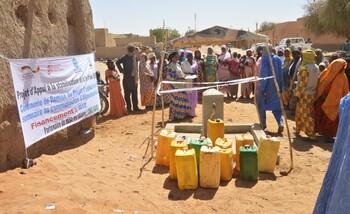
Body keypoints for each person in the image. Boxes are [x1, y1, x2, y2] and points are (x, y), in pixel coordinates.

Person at [314, 58, 349, 141]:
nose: (344, 68)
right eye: (342, 66)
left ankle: (327, 134)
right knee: (325, 117)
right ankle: (326, 134)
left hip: (329, 101)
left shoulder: (341, 76)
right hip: (325, 100)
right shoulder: (328, 73)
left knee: (327, 118)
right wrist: (323, 97)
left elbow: (342, 91)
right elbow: (320, 84)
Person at [257, 46, 284, 133]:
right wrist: (281, 87)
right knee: (277, 108)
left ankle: (263, 124)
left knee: (261, 106)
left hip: (267, 88)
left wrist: (262, 88)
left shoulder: (265, 59)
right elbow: (281, 74)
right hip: (276, 87)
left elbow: (264, 75)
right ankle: (280, 123)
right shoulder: (278, 59)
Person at [294, 50, 319, 139]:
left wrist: (297, 94)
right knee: (301, 112)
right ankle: (298, 128)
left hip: (304, 94)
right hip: (312, 93)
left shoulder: (305, 68)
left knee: (305, 113)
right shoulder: (316, 67)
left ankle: (310, 133)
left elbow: (302, 83)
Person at [166, 51, 192, 121]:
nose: (177, 58)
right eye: (176, 57)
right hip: (175, 87)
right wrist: (179, 78)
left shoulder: (177, 64)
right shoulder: (170, 66)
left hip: (181, 85)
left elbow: (181, 73)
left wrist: (185, 76)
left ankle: (180, 116)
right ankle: (173, 117)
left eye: (178, 57)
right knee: (175, 102)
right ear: (172, 58)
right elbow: (169, 77)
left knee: (181, 101)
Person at [116, 45, 140, 112]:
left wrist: (122, 71)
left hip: (130, 78)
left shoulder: (132, 58)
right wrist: (122, 71)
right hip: (129, 78)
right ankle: (132, 108)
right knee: (130, 94)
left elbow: (117, 62)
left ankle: (133, 108)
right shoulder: (127, 58)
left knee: (131, 94)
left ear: (128, 50)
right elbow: (117, 62)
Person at [181, 51, 198, 117]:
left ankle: (193, 112)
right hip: (188, 80)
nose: (191, 56)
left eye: (191, 55)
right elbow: (182, 73)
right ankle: (188, 112)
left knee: (194, 95)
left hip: (194, 80)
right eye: (189, 55)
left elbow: (196, 70)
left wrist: (196, 75)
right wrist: (188, 74)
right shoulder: (183, 63)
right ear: (187, 56)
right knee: (188, 96)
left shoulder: (195, 62)